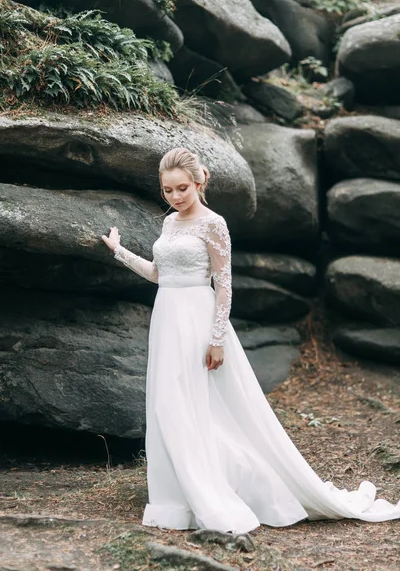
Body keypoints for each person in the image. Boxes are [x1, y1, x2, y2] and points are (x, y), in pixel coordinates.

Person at [102, 147, 400, 533]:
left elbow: (223, 284)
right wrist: (119, 251)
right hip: (166, 321)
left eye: (182, 189)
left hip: (198, 319)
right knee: (167, 404)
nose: (175, 197)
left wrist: (217, 339)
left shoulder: (214, 224)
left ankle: (216, 490)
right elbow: (159, 274)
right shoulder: (169, 224)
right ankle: (175, 501)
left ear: (199, 182)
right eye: (168, 191)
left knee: (198, 406)